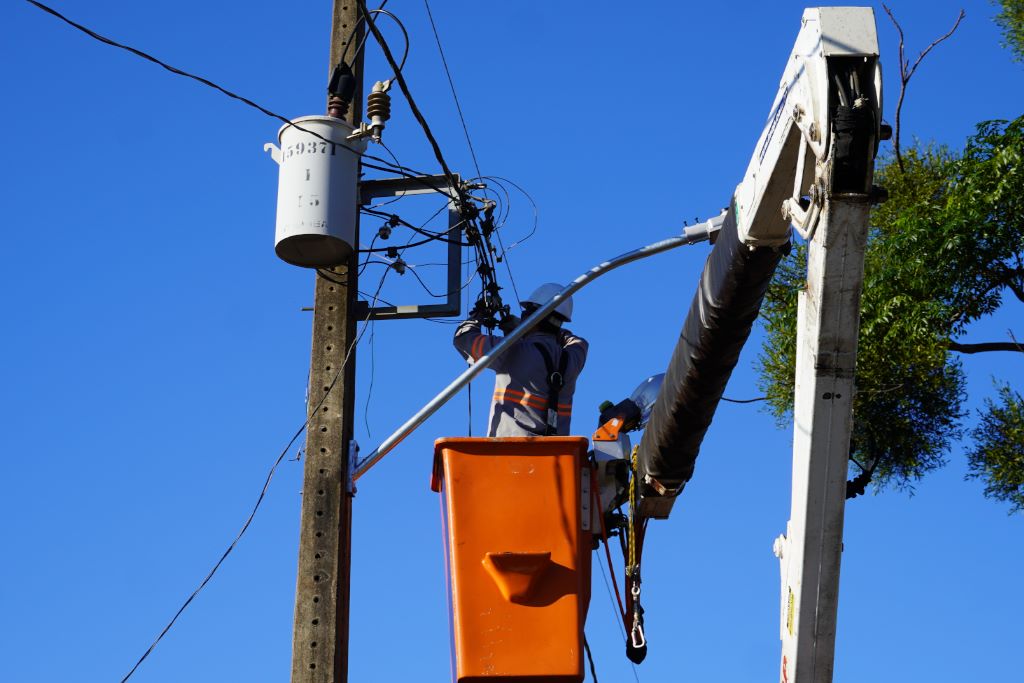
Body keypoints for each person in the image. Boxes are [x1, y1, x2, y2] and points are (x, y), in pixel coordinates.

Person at [454, 283, 589, 437]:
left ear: (531, 316)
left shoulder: (512, 351)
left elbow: (463, 339)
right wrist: (524, 328)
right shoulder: (573, 358)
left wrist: (477, 315)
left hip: (511, 453)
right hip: (555, 454)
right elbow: (577, 341)